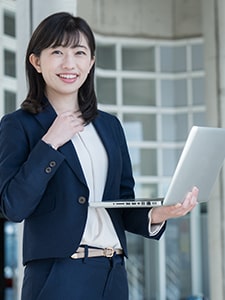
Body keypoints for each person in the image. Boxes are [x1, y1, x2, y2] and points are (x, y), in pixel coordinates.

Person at [0, 12, 198, 300]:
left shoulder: (109, 126)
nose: (69, 63)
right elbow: (13, 206)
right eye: (57, 51)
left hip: (113, 273)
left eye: (79, 52)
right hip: (59, 274)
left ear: (91, 61)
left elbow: (121, 201)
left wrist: (159, 214)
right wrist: (50, 143)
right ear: (36, 61)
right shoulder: (19, 125)